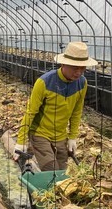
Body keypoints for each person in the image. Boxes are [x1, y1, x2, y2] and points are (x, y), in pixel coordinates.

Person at [13, 41, 97, 171]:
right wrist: (20, 140)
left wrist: (73, 137)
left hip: (60, 136)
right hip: (40, 133)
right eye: (75, 68)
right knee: (51, 170)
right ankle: (30, 152)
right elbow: (31, 112)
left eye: (83, 68)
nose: (79, 72)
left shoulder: (82, 83)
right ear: (64, 63)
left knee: (62, 172)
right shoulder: (44, 82)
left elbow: (76, 111)